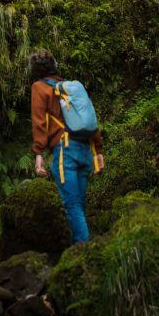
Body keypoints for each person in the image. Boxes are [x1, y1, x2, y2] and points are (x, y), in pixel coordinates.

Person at [29, 50, 104, 244]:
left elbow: (39, 122)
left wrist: (38, 153)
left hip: (66, 153)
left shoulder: (39, 88)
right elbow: (90, 116)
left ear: (35, 71)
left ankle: (82, 252)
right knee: (78, 204)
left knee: (71, 204)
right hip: (85, 151)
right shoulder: (71, 88)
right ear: (55, 66)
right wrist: (98, 152)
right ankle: (81, 247)